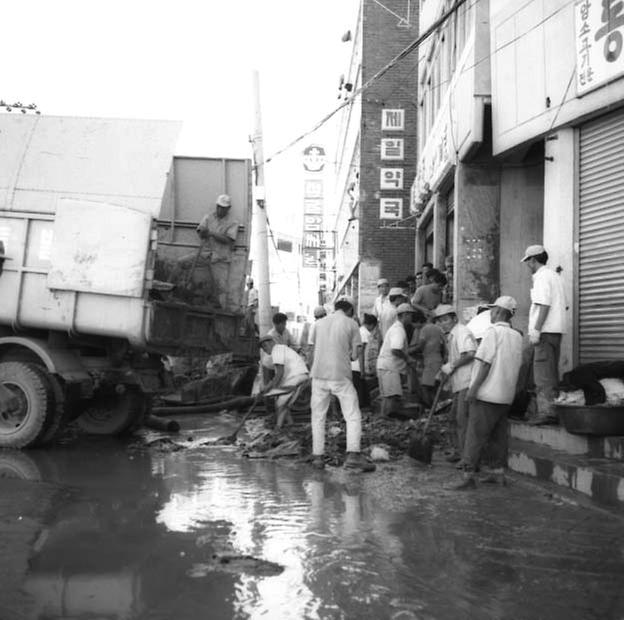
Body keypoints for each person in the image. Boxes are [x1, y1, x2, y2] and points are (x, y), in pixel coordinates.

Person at [455, 296, 523, 490]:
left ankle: (468, 476)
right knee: (498, 436)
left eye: (492, 311)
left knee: (474, 436)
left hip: (487, 394)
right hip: (506, 395)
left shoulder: (492, 333)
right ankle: (497, 473)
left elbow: (485, 364)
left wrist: (472, 390)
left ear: (498, 311)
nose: (490, 314)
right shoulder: (517, 336)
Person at [309, 296, 375, 473]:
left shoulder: (319, 324)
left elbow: (312, 349)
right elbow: (354, 355)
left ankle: (318, 457)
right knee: (352, 415)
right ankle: (353, 455)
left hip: (318, 375)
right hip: (340, 375)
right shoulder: (351, 324)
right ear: (349, 311)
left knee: (318, 417)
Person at [521, 245, 567, 425]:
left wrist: (536, 330)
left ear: (533, 260)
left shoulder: (541, 277)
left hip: (545, 332)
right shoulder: (556, 277)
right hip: (556, 331)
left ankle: (547, 413)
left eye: (527, 261)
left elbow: (544, 305)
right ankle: (553, 410)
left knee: (542, 375)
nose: (527, 265)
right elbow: (564, 305)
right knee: (551, 372)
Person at [434, 304, 476, 464]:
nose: (443, 323)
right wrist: (445, 371)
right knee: (453, 419)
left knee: (462, 420)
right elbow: (455, 358)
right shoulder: (452, 335)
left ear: (454, 318)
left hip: (467, 382)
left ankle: (467, 458)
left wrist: (452, 366)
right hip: (458, 383)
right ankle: (459, 451)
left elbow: (470, 354)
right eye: (440, 321)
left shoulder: (462, 332)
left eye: (445, 319)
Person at [195, 193, 240, 309]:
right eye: (219, 207)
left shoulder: (233, 222)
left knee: (221, 290)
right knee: (182, 263)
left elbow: (228, 240)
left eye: (223, 208)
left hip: (220, 259)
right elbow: (200, 232)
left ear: (228, 209)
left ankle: (220, 314)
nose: (220, 210)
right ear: (216, 206)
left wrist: (211, 233)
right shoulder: (209, 217)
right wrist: (203, 232)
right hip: (205, 255)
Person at [259, 335, 310, 429]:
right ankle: (290, 423)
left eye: (265, 347)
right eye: (263, 348)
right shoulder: (280, 350)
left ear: (270, 344)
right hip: (298, 376)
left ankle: (278, 427)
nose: (265, 350)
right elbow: (279, 374)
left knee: (280, 403)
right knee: (281, 401)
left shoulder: (276, 350)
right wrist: (270, 389)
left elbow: (279, 373)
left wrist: (269, 387)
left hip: (297, 376)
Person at [376, 303, 418, 417]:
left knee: (389, 396)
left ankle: (384, 418)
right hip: (390, 367)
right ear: (404, 315)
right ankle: (386, 420)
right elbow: (396, 349)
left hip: (388, 366)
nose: (411, 318)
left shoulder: (397, 328)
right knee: (391, 396)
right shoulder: (398, 329)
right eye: (410, 315)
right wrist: (408, 359)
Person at [409, 310, 445, 406]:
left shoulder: (424, 329)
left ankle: (430, 408)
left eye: (413, 324)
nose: (413, 326)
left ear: (418, 321)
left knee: (425, 386)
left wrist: (408, 351)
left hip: (431, 361)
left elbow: (420, 346)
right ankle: (434, 407)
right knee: (433, 386)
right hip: (437, 359)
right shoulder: (437, 327)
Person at [351, 314, 373, 411]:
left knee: (361, 388)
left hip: (354, 366)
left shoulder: (359, 332)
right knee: (359, 389)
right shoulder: (364, 333)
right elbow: (361, 353)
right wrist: (362, 369)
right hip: (357, 366)